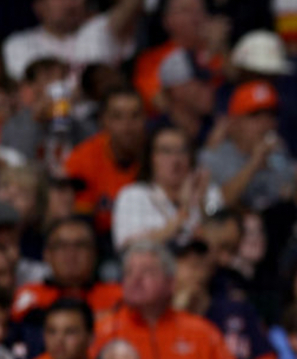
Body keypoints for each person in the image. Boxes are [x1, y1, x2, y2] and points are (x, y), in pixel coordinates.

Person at [92, 241, 256, 359]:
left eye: (147, 271)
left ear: (171, 283)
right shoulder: (102, 331)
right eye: (128, 272)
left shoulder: (202, 332)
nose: (136, 278)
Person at [9, 217, 122, 348]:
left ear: (94, 253)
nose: (71, 253)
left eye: (80, 245)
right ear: (47, 254)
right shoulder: (27, 296)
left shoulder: (117, 296)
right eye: (61, 246)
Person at [111, 125, 222, 252]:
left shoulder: (208, 192)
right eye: (166, 151)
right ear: (152, 158)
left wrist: (202, 205)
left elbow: (223, 241)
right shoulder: (133, 195)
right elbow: (130, 248)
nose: (175, 160)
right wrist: (183, 212)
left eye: (182, 151)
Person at [199, 80, 295, 212]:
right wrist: (254, 164)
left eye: (271, 114)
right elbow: (215, 205)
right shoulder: (214, 158)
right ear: (235, 122)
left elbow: (290, 194)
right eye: (255, 115)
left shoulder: (279, 153)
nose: (265, 123)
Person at [63, 86, 145, 235]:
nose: (127, 126)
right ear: (103, 121)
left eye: (135, 116)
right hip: (99, 239)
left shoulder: (158, 154)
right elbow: (82, 223)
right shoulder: (82, 159)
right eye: (117, 117)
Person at [2, 0, 142, 81]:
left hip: (100, 122)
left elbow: (129, 7)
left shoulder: (99, 30)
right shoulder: (18, 44)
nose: (70, 3)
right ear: (39, 7)